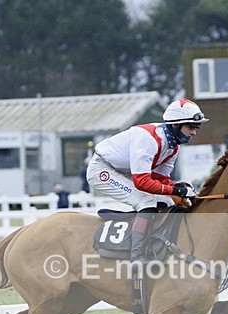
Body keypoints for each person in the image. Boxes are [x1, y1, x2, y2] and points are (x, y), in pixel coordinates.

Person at [86, 98, 207, 264]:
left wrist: (178, 188)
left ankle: (158, 244)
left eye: (196, 128)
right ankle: (137, 255)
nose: (194, 132)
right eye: (190, 127)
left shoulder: (173, 147)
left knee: (167, 201)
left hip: (127, 172)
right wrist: (176, 191)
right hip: (102, 169)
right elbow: (142, 182)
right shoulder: (149, 139)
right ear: (175, 125)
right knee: (146, 201)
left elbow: (160, 179)